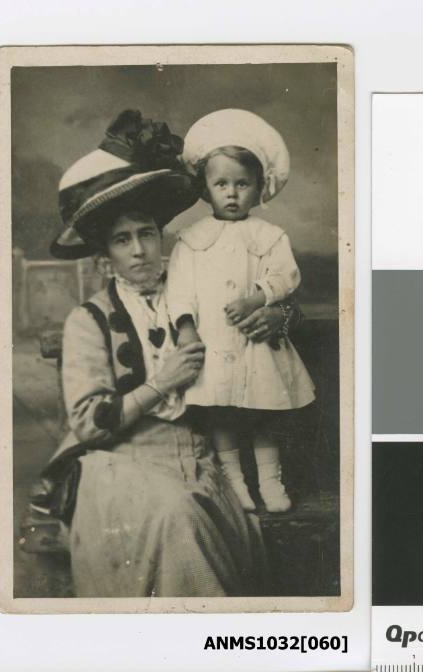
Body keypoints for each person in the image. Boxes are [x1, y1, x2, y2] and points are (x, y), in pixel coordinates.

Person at [48, 110, 285, 598]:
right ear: (104, 257)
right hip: (122, 466)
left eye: (147, 234)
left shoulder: (191, 288)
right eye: (122, 240)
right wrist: (162, 381)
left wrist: (279, 318)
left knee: (234, 529)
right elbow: (90, 423)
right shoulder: (88, 320)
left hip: (198, 461)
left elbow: (258, 297)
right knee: (178, 520)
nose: (138, 250)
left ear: (162, 238)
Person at [166, 109, 315, 514]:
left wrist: (260, 295)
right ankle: (236, 483)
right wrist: (185, 328)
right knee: (222, 416)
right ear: (206, 188)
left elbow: (287, 276)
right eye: (221, 184)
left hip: (256, 344)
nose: (231, 193)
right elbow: (178, 289)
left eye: (242, 184)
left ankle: (270, 480)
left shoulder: (269, 236)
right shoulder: (191, 240)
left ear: (258, 188)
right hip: (213, 343)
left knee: (264, 413)